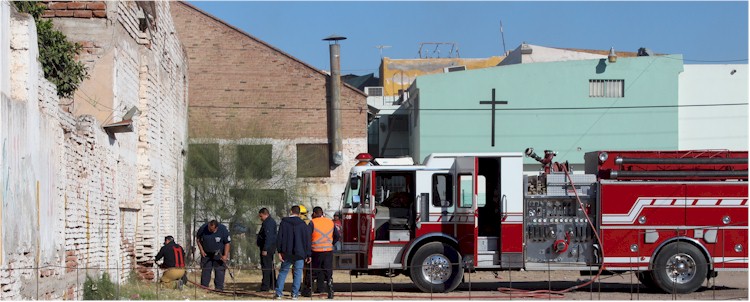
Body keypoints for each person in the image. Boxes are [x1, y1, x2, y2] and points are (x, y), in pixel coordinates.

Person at [275, 205, 312, 300]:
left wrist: (279, 251)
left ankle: (278, 293)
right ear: (299, 213)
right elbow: (307, 240)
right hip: (300, 253)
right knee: (298, 273)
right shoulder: (303, 224)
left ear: (291, 211)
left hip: (287, 252)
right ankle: (295, 294)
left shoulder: (284, 222)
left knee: (283, 272)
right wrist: (308, 254)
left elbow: (280, 237)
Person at [310, 207, 339, 299]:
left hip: (316, 250)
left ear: (314, 213)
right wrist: (331, 243)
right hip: (328, 250)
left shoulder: (312, 222)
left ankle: (315, 288)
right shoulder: (330, 222)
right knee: (327, 271)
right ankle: (330, 290)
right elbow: (337, 236)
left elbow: (307, 237)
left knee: (316, 271)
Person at [196, 220, 231, 290]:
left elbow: (227, 243)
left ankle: (219, 289)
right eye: (209, 228)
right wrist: (201, 250)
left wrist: (225, 255)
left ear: (216, 228)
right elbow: (198, 239)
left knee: (219, 271)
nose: (210, 230)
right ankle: (204, 288)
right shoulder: (203, 228)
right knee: (206, 271)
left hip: (219, 254)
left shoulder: (223, 230)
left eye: (212, 230)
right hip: (206, 254)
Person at [257, 208, 278, 292]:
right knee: (270, 266)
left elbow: (268, 237)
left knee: (266, 267)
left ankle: (265, 286)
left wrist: (265, 248)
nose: (260, 218)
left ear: (265, 214)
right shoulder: (269, 222)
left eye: (261, 216)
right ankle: (272, 284)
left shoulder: (268, 223)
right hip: (269, 247)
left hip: (267, 248)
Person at [298, 205, 314, 297]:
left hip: (298, 249)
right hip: (308, 248)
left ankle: (299, 287)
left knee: (297, 270)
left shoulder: (296, 223)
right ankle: (306, 287)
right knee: (306, 270)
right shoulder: (309, 223)